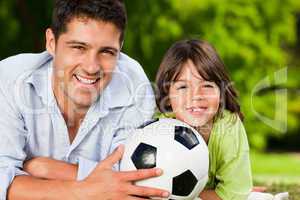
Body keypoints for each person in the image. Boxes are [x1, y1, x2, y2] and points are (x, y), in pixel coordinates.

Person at [0, 0, 170, 199]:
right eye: (79, 47)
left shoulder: (133, 84)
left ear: (120, 48)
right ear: (51, 43)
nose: (91, 67)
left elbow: (129, 181)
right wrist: (84, 191)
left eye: (106, 52)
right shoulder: (10, 79)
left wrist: (45, 169)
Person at [155, 39, 253, 200]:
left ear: (221, 91)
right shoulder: (158, 131)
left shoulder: (229, 127)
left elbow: (235, 194)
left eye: (207, 85)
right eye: (183, 87)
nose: (196, 96)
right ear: (168, 95)